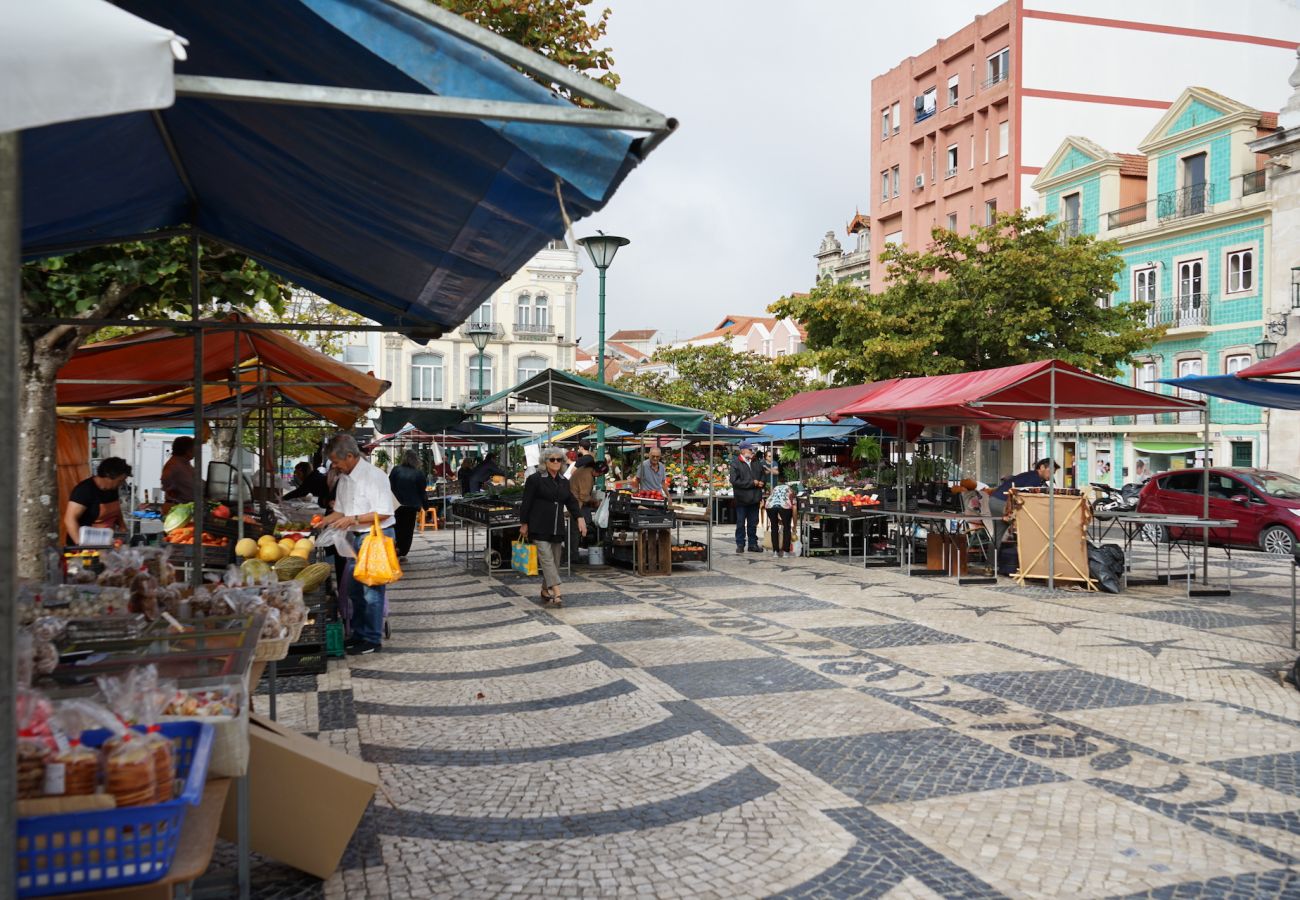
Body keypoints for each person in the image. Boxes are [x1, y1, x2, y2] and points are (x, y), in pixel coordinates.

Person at [320, 434, 396, 656]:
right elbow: (341, 511)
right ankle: (358, 633)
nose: (334, 466)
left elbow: (384, 512)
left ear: (350, 456)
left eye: (336, 461)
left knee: (371, 590)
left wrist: (353, 519)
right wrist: (324, 521)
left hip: (376, 536)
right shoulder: (344, 479)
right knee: (354, 589)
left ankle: (372, 639)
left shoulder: (375, 476)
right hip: (356, 538)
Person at [518, 445, 587, 607]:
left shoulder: (563, 481)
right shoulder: (535, 479)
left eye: (559, 460)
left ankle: (544, 589)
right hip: (539, 525)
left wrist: (580, 518)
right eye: (553, 459)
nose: (556, 462)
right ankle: (557, 592)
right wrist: (524, 523)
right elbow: (526, 503)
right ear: (545, 461)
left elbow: (570, 501)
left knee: (555, 562)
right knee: (547, 560)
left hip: (557, 527)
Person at [989, 457, 1059, 545]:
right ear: (1042, 467)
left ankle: (992, 558)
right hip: (1003, 501)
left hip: (995, 500)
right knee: (1027, 525)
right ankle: (1025, 554)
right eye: (1051, 471)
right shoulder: (1035, 477)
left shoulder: (1031, 475)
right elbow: (1027, 496)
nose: (1052, 475)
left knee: (998, 535)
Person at [65, 457, 131, 544]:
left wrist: (122, 527)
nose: (122, 483)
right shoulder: (84, 490)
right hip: (85, 544)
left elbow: (116, 510)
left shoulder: (112, 488)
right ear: (108, 476)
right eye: (120, 480)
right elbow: (69, 519)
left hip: (103, 541)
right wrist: (80, 544)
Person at [388, 449, 426, 560]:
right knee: (407, 531)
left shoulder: (396, 470)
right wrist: (425, 506)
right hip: (411, 507)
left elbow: (389, 486)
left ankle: (395, 549)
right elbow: (422, 492)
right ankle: (402, 551)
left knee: (396, 528)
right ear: (416, 460)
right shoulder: (419, 474)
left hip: (396, 506)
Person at [729, 441, 766, 553]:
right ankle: (740, 544)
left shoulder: (756, 462)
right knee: (740, 523)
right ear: (743, 450)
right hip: (742, 499)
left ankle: (752, 544)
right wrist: (752, 483)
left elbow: (763, 474)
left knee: (753, 523)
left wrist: (762, 482)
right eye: (750, 450)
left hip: (754, 498)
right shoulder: (735, 463)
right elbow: (734, 481)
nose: (752, 452)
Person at [160, 436, 199, 512]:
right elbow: (165, 480)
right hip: (175, 507)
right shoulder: (174, 464)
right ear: (188, 451)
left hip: (183, 507)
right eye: (194, 449)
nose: (196, 452)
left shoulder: (185, 463)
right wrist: (171, 490)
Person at [765, 478, 798, 558]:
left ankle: (775, 552)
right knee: (787, 527)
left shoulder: (775, 488)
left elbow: (775, 502)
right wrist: (794, 525)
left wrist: (780, 520)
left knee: (774, 527)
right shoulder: (791, 491)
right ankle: (786, 552)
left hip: (769, 505)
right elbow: (794, 509)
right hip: (784, 505)